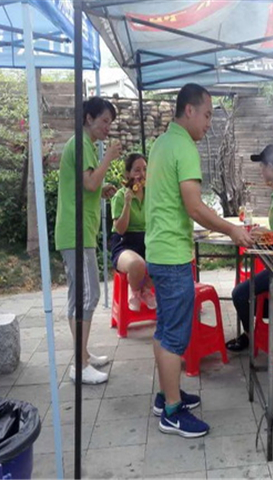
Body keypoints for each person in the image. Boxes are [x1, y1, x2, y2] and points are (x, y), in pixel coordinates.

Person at [145, 83, 252, 438]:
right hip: (172, 254)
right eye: (207, 115)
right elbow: (194, 206)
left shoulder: (162, 142)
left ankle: (166, 396)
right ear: (188, 110)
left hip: (158, 250)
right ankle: (172, 412)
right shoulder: (184, 147)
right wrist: (232, 231)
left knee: (165, 329)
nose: (209, 123)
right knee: (174, 335)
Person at [55, 96, 120, 385]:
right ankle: (80, 367)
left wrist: (101, 188)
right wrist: (109, 158)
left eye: (110, 122)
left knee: (80, 296)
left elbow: (90, 184)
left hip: (81, 231)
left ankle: (83, 355)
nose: (108, 127)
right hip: (76, 232)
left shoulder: (85, 145)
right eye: (104, 120)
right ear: (88, 118)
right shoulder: (81, 143)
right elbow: (90, 182)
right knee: (88, 296)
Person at [226, 144, 273, 353]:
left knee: (239, 294)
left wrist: (267, 235)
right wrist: (266, 232)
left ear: (270, 167)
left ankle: (251, 337)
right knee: (257, 296)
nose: (261, 171)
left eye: (262, 167)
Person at [110, 152, 156, 312]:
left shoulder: (152, 194)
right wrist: (127, 203)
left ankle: (143, 289)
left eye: (144, 169)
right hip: (125, 244)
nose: (141, 174)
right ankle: (136, 291)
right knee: (138, 264)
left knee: (163, 262)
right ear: (128, 174)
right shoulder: (120, 196)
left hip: (147, 242)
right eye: (137, 170)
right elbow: (120, 229)